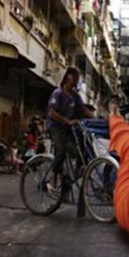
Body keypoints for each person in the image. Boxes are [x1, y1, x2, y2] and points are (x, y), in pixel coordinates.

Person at [46, 67, 94, 195]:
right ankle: (52, 179)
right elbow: (52, 112)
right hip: (56, 126)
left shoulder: (75, 96)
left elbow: (83, 109)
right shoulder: (58, 93)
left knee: (84, 141)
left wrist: (97, 120)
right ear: (68, 78)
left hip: (68, 128)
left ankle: (79, 168)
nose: (76, 80)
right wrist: (67, 121)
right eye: (75, 77)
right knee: (61, 149)